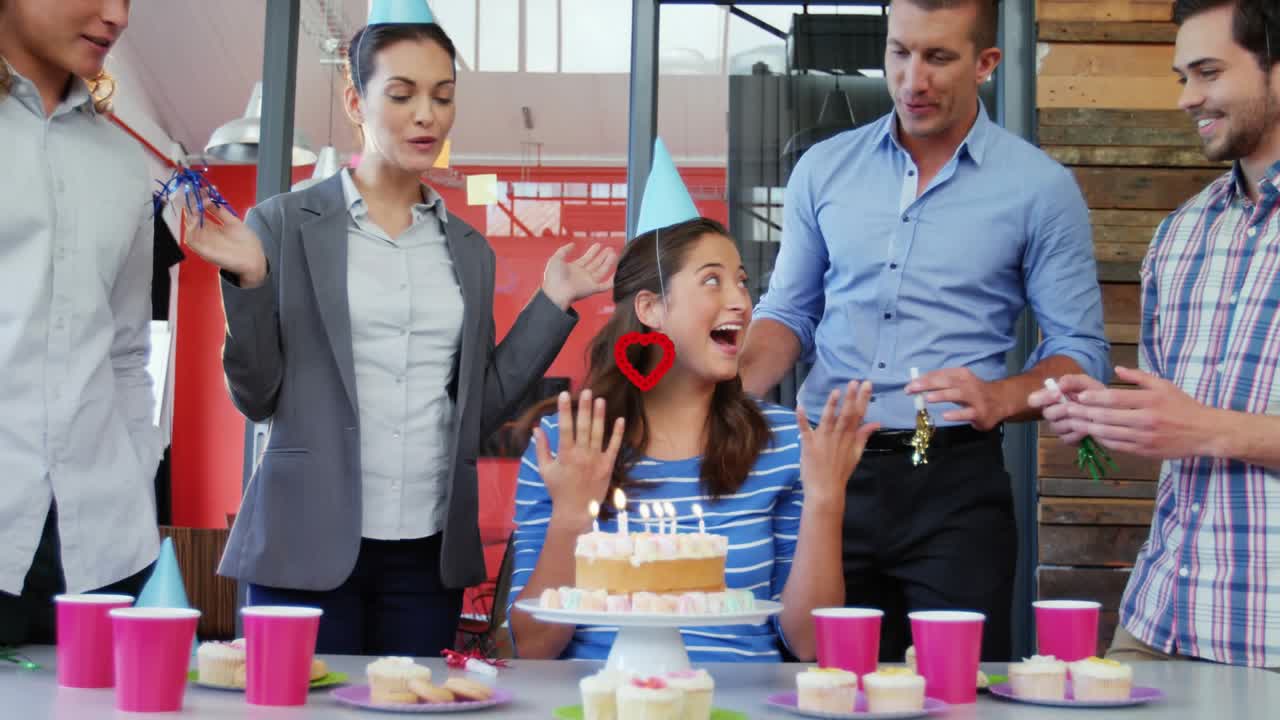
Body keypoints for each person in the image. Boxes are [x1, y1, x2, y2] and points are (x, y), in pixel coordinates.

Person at [183, 0, 616, 656]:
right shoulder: (282, 224)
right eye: (403, 94)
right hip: (305, 542)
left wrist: (551, 301)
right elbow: (257, 394)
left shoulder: (469, 249)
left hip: (427, 555)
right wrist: (248, 284)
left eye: (443, 96)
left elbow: (478, 411)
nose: (427, 115)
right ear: (354, 101)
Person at [738, 0, 1109, 661]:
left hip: (956, 483)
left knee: (956, 690)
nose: (913, 80)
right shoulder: (822, 170)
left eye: (939, 57)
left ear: (986, 63)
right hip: (827, 472)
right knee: (821, 684)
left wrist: (1002, 397)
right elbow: (788, 313)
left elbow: (1081, 356)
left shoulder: (1041, 190)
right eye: (899, 53)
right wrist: (724, 393)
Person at [506, 144, 879, 663]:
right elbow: (534, 645)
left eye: (742, 282)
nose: (742, 301)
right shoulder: (565, 441)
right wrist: (572, 513)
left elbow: (811, 644)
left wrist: (825, 500)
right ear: (652, 308)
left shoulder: (784, 442)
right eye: (712, 281)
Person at [1032, 0, 1280, 671]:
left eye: (1207, 72)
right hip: (1159, 622)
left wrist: (1208, 428)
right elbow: (1175, 427)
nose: (1187, 98)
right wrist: (1108, 415)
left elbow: (1200, 427)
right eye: (1181, 76)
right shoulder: (1180, 237)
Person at [0, 0, 163, 646]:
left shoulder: (124, 165)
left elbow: (128, 354)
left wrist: (138, 480)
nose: (117, 15)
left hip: (104, 552)